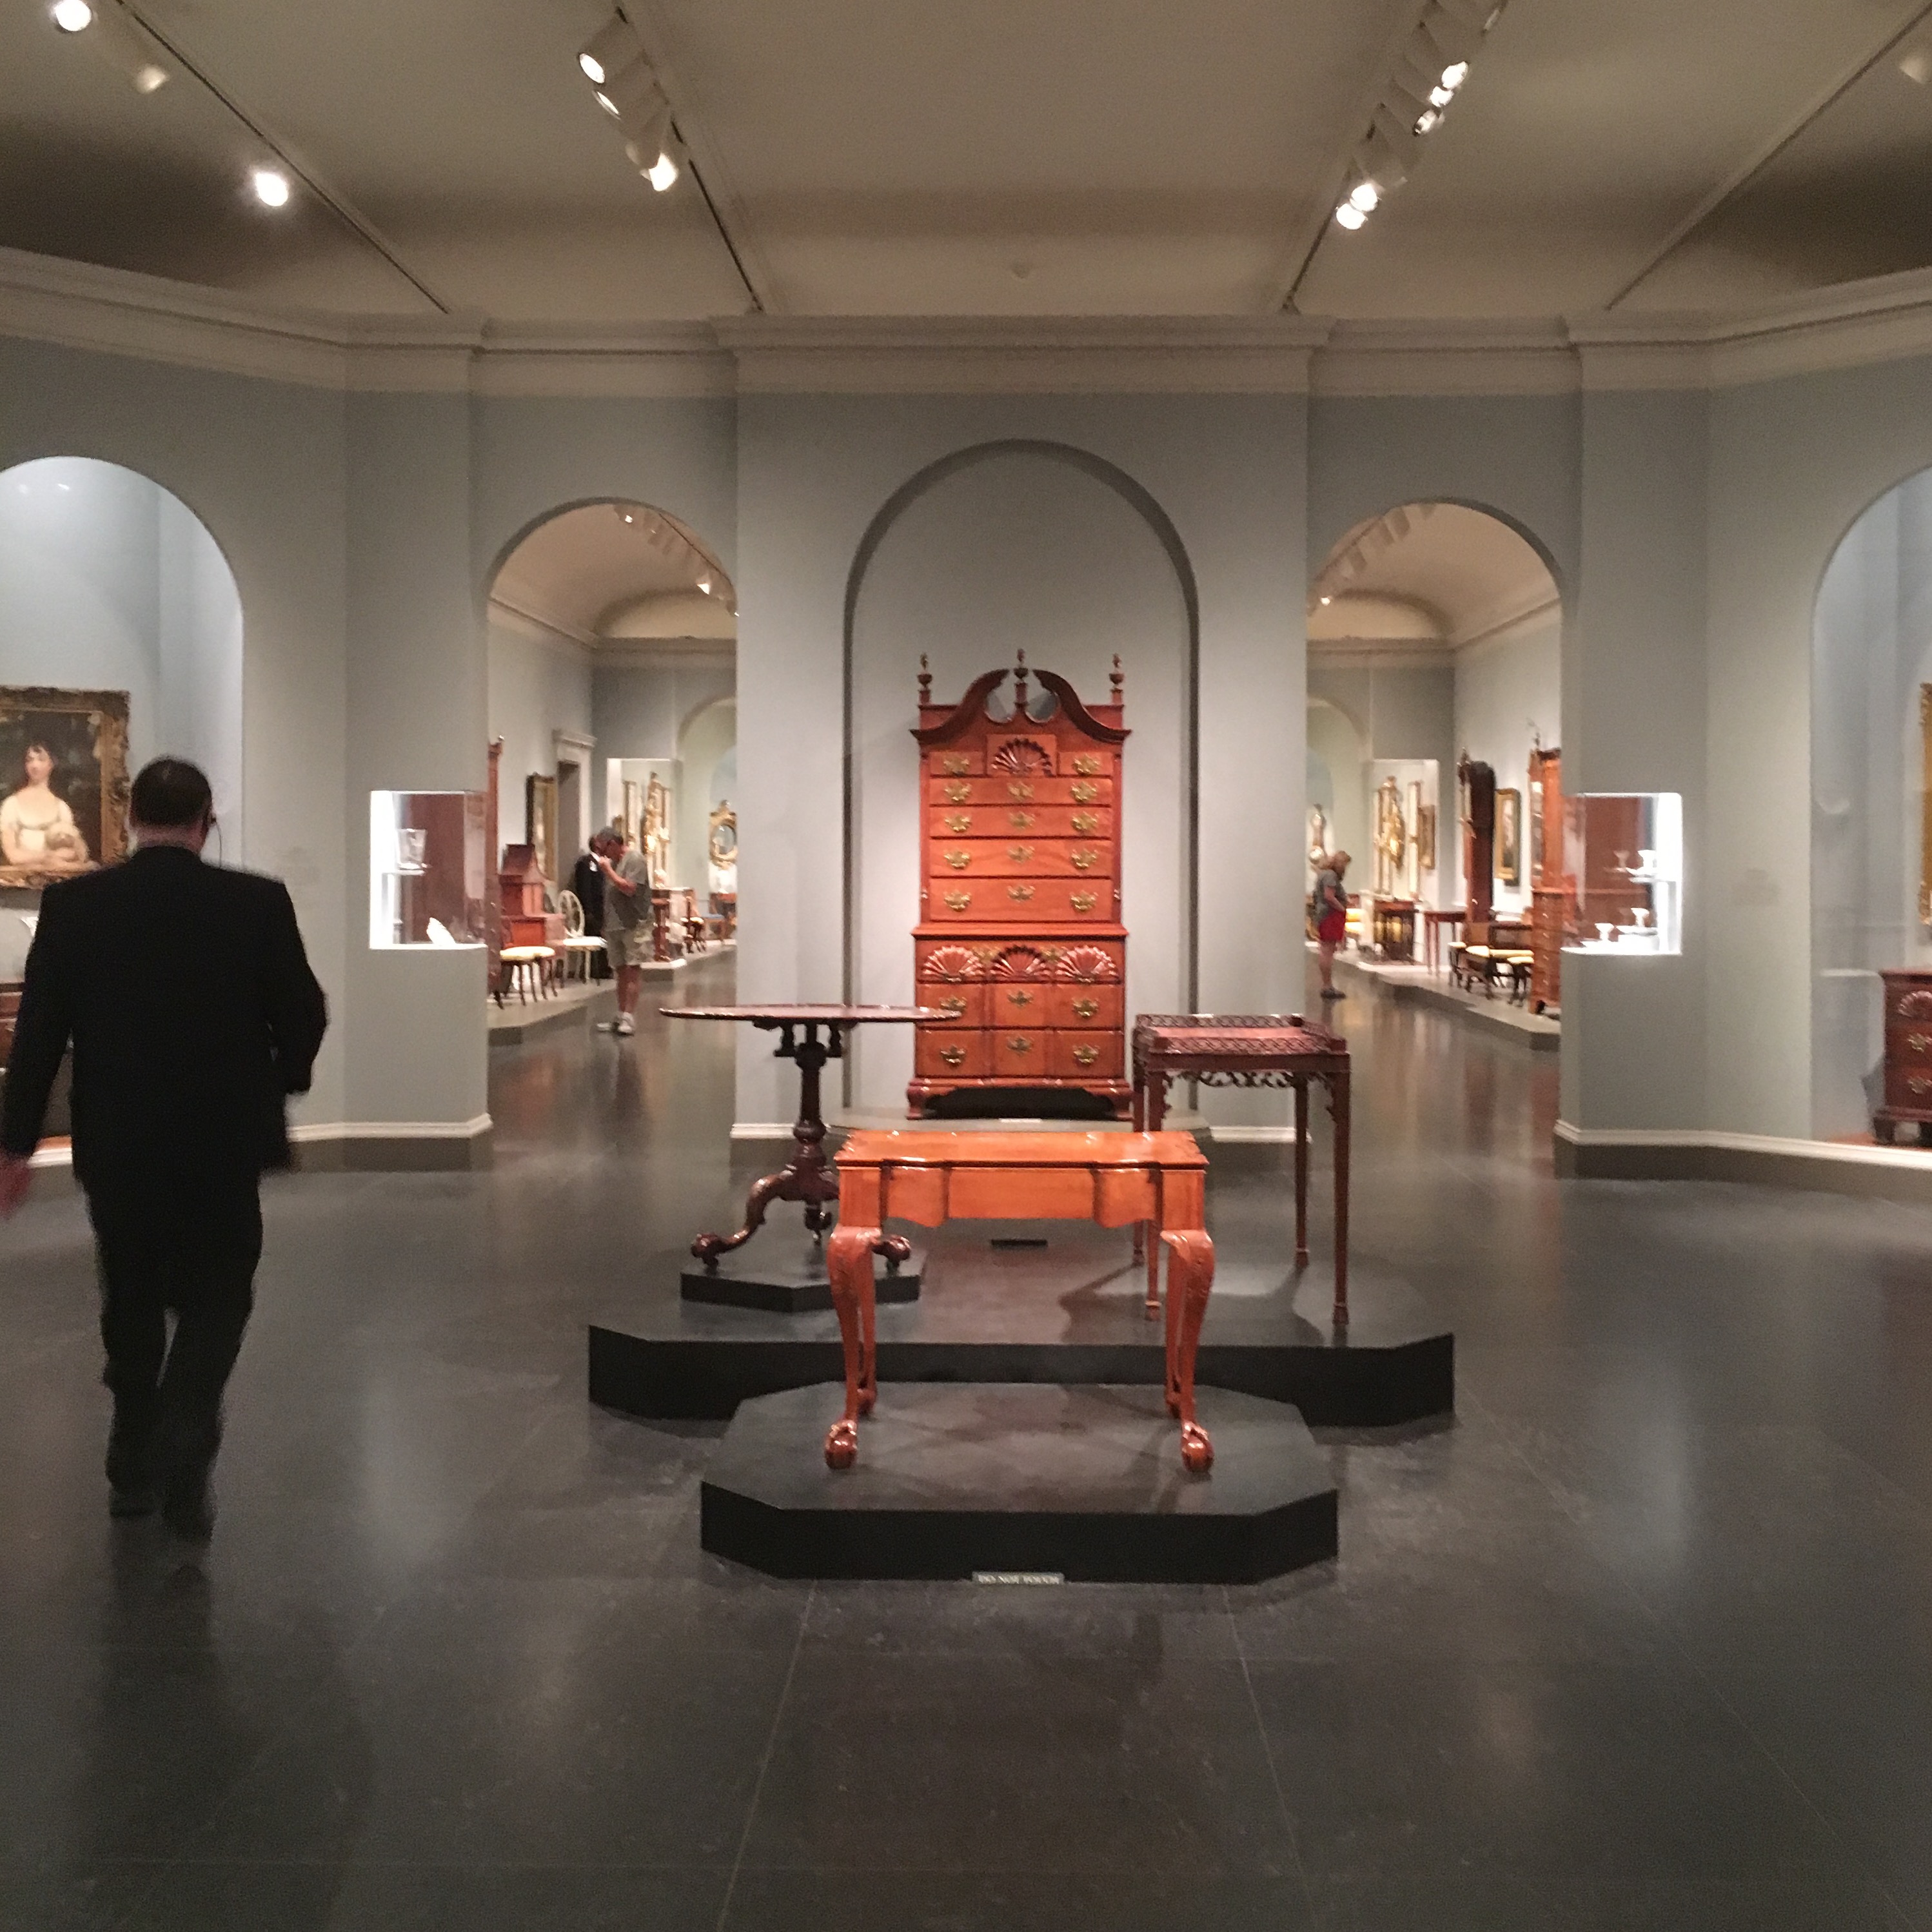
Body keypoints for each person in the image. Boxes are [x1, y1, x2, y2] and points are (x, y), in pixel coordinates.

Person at [0, 757, 327, 1542]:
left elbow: (37, 1034)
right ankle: (186, 1427)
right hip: (222, 1138)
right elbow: (303, 1011)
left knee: (131, 1291)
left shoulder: (76, 906)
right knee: (221, 1292)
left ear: (131, 818)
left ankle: (131, 1463)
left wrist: (14, 1145)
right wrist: (280, 1080)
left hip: (119, 1137)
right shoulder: (255, 902)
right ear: (205, 820)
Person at [594, 826, 651, 1038]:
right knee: (620, 972)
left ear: (613, 844)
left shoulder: (635, 860)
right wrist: (605, 923)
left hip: (634, 924)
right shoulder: (613, 863)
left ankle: (629, 1017)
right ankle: (620, 1015)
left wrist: (608, 871)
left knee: (632, 969)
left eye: (602, 849)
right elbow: (610, 896)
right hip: (615, 925)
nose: (601, 855)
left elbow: (629, 889)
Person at [1, 740, 91, 872]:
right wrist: (48, 857)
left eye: (41, 759)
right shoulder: (12, 804)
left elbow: (73, 852)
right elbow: (13, 856)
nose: (35, 765)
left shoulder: (61, 807)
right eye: (30, 760)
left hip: (58, 877)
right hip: (21, 879)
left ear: (52, 763)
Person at [1312, 849, 1352, 1000]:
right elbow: (1329, 896)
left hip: (1325, 915)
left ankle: (1327, 985)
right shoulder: (1331, 875)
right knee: (1327, 951)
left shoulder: (1324, 873)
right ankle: (1327, 986)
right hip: (1330, 915)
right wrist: (1341, 908)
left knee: (1326, 950)